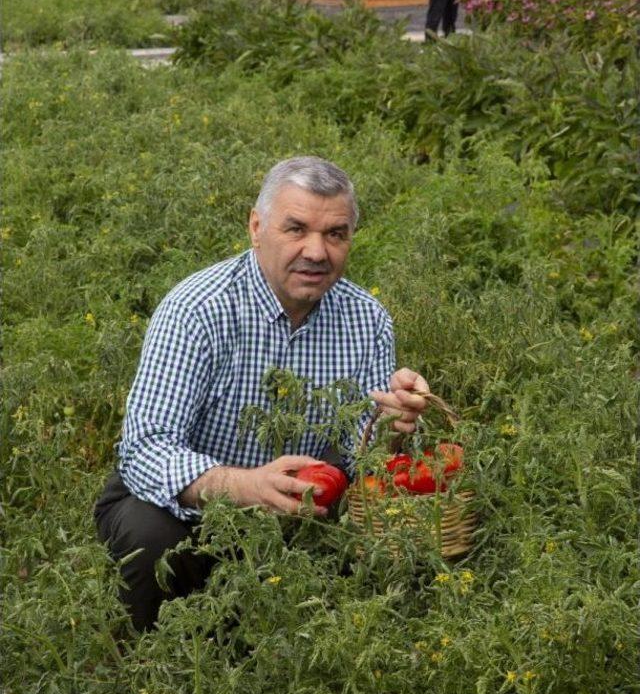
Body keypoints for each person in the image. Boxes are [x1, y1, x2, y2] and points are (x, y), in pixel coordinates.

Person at [94, 156, 430, 632]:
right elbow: (145, 450)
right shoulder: (197, 309)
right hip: (190, 504)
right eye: (296, 229)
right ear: (256, 227)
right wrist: (245, 487)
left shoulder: (368, 320)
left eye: (335, 234)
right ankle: (149, 671)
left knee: (376, 546)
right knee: (150, 540)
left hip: (303, 506)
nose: (316, 251)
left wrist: (394, 423)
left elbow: (361, 455)